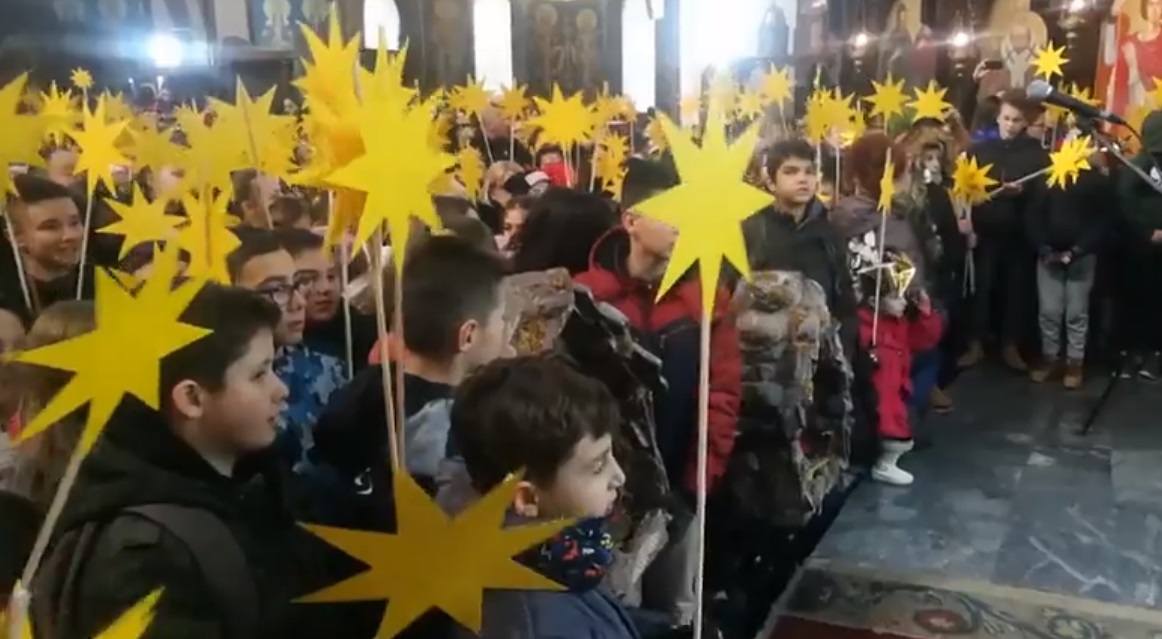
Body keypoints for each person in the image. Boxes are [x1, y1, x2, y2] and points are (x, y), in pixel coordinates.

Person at [29, 285, 332, 639]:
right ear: (191, 398)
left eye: (274, 367)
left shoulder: (254, 487)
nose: (281, 390)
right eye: (258, 374)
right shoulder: (144, 554)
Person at [575, 158, 741, 500]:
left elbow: (723, 392)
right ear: (631, 221)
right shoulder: (587, 297)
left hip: (683, 479)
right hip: (603, 485)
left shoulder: (708, 297)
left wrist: (702, 477)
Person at [447, 354, 636, 639]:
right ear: (526, 499)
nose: (619, 476)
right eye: (597, 466)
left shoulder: (556, 559)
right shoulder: (535, 623)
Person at [229, 229, 346, 468]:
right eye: (277, 290)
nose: (299, 302)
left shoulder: (330, 372)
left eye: (297, 285)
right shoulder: (218, 390)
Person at [958, 89, 1049, 371]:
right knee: (981, 289)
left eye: (1016, 120)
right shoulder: (978, 150)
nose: (1010, 125)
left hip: (1019, 234)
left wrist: (1024, 192)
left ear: (1025, 122)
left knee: (1016, 291)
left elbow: (1044, 194)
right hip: (985, 232)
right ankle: (975, 342)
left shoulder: (1037, 154)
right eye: (1006, 118)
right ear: (998, 117)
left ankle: (1010, 345)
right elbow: (962, 189)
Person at [1027, 138, 1110, 388]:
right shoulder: (1048, 179)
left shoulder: (1096, 183)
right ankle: (1050, 358)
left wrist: (1079, 249)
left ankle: (1075, 362)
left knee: (1076, 312)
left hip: (1081, 256)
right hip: (1049, 255)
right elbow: (1033, 216)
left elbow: (1103, 220)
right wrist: (1043, 248)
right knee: (1049, 311)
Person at [857, 251, 943, 485]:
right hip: (877, 400)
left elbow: (924, 340)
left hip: (900, 390)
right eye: (896, 297)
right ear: (874, 302)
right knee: (892, 427)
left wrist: (926, 313)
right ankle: (884, 464)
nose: (903, 302)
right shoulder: (865, 331)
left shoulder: (897, 324)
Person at [1117, 109, 1162, 377]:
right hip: (1137, 248)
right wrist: (1147, 232)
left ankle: (1154, 354)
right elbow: (1125, 203)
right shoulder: (1136, 166)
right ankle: (1132, 352)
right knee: (1136, 299)